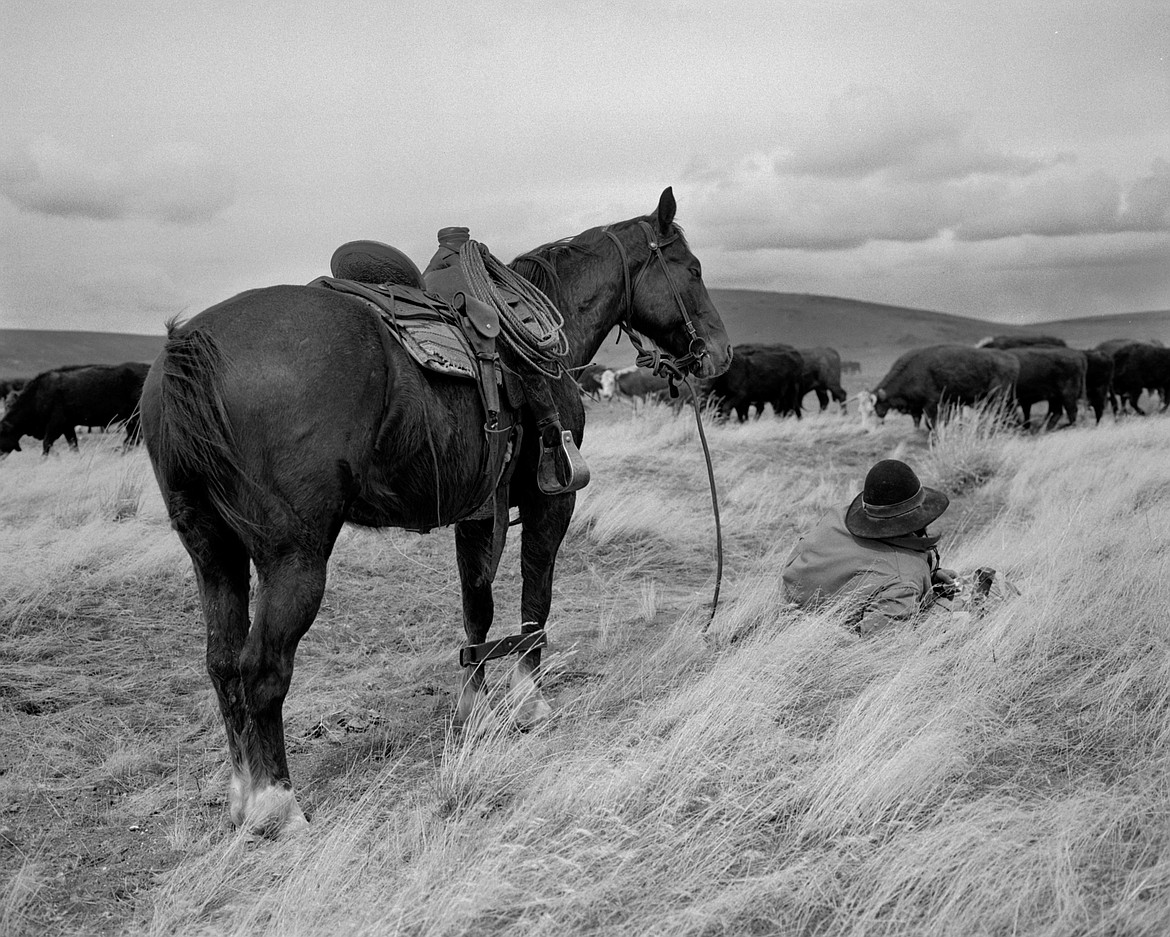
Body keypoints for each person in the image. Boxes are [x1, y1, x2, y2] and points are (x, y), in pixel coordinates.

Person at [782, 459, 959, 635]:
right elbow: (879, 646)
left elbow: (855, 567)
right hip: (819, 639)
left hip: (786, 610)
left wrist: (929, 575)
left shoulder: (837, 516)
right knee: (958, 611)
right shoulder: (904, 577)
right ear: (917, 519)